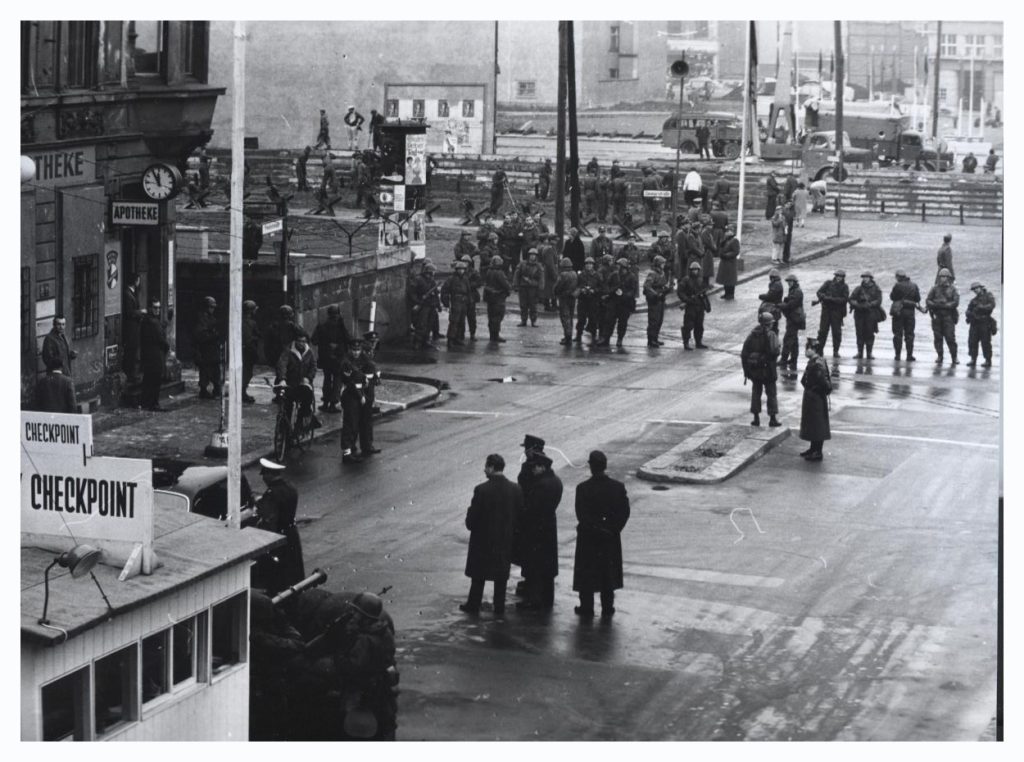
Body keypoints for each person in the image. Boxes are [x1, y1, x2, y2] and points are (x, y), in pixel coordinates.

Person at [461, 453, 521, 617]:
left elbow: (471, 521)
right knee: (500, 577)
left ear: (491, 467)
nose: (484, 470)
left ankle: (473, 604)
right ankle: (499, 607)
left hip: (483, 542)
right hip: (504, 541)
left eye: (486, 466)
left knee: (478, 576)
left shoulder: (481, 490)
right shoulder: (515, 489)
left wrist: (469, 518)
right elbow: (519, 516)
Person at [572, 450, 630, 619]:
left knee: (587, 574)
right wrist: (612, 529)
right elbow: (624, 512)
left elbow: (581, 515)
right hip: (609, 539)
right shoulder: (618, 487)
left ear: (591, 466)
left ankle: (586, 607)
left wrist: (595, 529)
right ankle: (607, 607)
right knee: (608, 574)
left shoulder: (583, 488)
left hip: (589, 539)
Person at [251, 458, 306, 595]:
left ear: (270, 474)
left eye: (264, 474)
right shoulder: (291, 488)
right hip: (291, 533)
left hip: (278, 537)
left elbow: (269, 520)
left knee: (277, 574)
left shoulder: (272, 494)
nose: (263, 478)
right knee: (293, 569)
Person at [516, 453, 563, 611]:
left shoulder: (541, 485)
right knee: (547, 568)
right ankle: (547, 599)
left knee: (535, 566)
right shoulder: (556, 481)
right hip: (549, 527)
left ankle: (533, 600)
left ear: (542, 467)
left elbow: (531, 508)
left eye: (535, 467)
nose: (533, 470)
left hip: (536, 530)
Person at [741, 312, 782, 427]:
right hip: (768, 369)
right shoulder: (772, 335)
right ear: (769, 324)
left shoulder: (752, 335)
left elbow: (744, 353)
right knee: (771, 394)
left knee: (756, 393)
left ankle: (756, 418)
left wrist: (747, 371)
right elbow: (775, 352)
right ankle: (772, 418)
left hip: (755, 370)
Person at [276, 332, 319, 435]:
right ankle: (284, 431)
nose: (301, 343)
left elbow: (313, 367)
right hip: (289, 383)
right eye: (299, 341)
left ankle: (300, 425)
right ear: (295, 341)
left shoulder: (309, 353)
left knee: (306, 399)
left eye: (303, 341)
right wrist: (282, 378)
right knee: (286, 405)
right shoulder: (288, 351)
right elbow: (282, 365)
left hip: (303, 384)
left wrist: (308, 378)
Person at [311, 305, 350, 411]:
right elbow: (348, 339)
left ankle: (325, 402)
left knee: (327, 379)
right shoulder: (341, 326)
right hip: (338, 357)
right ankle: (333, 403)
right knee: (337, 380)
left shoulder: (322, 325)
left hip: (325, 357)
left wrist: (325, 344)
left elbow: (314, 340)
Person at [798, 340, 832, 461]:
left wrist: (813, 390)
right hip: (812, 395)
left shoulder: (817, 363)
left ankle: (817, 451)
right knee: (813, 423)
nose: (806, 350)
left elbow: (823, 382)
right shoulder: (815, 361)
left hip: (815, 397)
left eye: (808, 348)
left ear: (814, 349)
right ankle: (813, 448)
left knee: (817, 423)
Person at [598, 258, 637, 348]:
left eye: (620, 266)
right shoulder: (614, 275)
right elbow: (607, 285)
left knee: (622, 322)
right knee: (608, 320)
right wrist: (611, 291)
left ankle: (620, 339)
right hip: (614, 301)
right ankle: (605, 338)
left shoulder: (631, 276)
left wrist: (625, 294)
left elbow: (633, 290)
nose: (618, 267)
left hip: (625, 303)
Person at [139, 299, 169, 411]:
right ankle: (153, 403)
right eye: (155, 308)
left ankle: (145, 402)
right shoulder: (153, 322)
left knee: (148, 379)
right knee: (155, 380)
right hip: (155, 355)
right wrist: (167, 346)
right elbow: (161, 339)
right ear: (150, 308)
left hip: (147, 355)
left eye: (158, 308)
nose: (157, 310)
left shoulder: (146, 320)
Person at [355, 333, 382, 456]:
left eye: (375, 341)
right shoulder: (364, 352)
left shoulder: (369, 351)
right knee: (362, 418)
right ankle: (364, 445)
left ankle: (366, 445)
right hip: (361, 387)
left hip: (368, 387)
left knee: (366, 417)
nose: (373, 343)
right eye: (371, 341)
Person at [926, 268, 960, 365]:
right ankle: (940, 355)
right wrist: (935, 305)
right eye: (941, 277)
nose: (942, 278)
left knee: (950, 338)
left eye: (944, 277)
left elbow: (956, 302)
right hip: (937, 317)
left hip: (948, 317)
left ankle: (954, 357)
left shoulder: (953, 289)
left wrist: (946, 305)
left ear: (948, 278)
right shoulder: (934, 288)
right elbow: (928, 300)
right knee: (938, 337)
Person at [889, 269, 923, 362]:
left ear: (898, 277)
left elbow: (892, 297)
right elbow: (918, 298)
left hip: (898, 312)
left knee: (897, 334)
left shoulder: (897, 285)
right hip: (910, 313)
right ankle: (909, 355)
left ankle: (897, 355)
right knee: (910, 335)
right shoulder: (914, 285)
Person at [848, 271, 884, 359]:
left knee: (869, 333)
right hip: (859, 313)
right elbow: (851, 298)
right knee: (859, 333)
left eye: (867, 277)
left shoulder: (876, 288)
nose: (865, 279)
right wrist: (857, 304)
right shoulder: (858, 288)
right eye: (864, 277)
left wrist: (870, 304)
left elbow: (879, 300)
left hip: (870, 314)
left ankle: (869, 353)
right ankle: (859, 352)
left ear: (870, 278)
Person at [193, 296, 223, 399]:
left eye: (213, 307)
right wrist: (214, 335)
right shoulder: (201, 319)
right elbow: (200, 335)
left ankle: (216, 389)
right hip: (205, 350)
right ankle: (204, 390)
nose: (212, 309)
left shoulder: (211, 318)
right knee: (205, 371)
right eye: (211, 307)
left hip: (213, 349)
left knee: (216, 371)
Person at [816, 269, 850, 358]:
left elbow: (844, 299)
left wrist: (832, 299)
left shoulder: (844, 287)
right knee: (822, 331)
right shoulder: (828, 283)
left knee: (836, 332)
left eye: (841, 277)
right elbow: (819, 292)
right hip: (826, 311)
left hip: (837, 312)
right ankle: (819, 350)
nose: (839, 278)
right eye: (837, 276)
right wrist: (824, 297)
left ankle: (835, 351)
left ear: (843, 278)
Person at [407, 260, 441, 350]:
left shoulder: (432, 281)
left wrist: (438, 305)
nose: (433, 274)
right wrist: (417, 301)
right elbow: (412, 292)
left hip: (431, 305)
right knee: (421, 324)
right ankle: (417, 342)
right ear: (428, 271)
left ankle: (425, 341)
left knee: (430, 324)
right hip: (423, 305)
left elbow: (436, 294)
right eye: (432, 272)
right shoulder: (418, 279)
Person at [440, 259, 473, 346]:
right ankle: (451, 339)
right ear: (456, 269)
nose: (461, 271)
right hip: (455, 301)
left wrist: (469, 301)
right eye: (459, 269)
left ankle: (459, 338)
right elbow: (444, 291)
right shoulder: (451, 279)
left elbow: (468, 291)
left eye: (463, 269)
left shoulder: (465, 279)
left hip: (464, 301)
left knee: (462, 321)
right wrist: (446, 302)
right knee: (454, 321)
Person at [677, 261, 709, 350]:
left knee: (699, 325)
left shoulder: (701, 280)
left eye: (696, 270)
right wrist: (686, 299)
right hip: (690, 306)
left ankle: (698, 342)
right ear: (690, 270)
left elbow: (704, 291)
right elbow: (680, 292)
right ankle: (686, 343)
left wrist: (704, 298)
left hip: (699, 306)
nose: (695, 271)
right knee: (688, 325)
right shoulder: (686, 280)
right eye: (693, 270)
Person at [778, 273, 805, 377]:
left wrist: (782, 305)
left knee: (788, 339)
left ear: (794, 282)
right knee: (794, 341)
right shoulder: (794, 290)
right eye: (788, 282)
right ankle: (793, 360)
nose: (789, 283)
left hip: (794, 319)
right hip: (793, 318)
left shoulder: (797, 292)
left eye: (790, 281)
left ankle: (784, 360)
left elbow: (791, 305)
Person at [965, 281, 996, 368]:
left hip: (985, 322)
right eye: (974, 289)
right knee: (972, 342)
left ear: (981, 288)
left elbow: (991, 306)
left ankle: (988, 360)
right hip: (974, 323)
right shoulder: (973, 300)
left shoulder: (989, 296)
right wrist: (969, 314)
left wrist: (980, 307)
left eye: (976, 288)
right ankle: (973, 359)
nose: (975, 290)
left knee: (985, 342)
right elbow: (968, 310)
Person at [643, 255, 671, 348]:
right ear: (658, 264)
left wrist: (667, 287)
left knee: (659, 320)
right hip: (654, 299)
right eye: (662, 263)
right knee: (653, 320)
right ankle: (651, 340)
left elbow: (662, 284)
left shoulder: (662, 273)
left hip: (661, 298)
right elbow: (647, 286)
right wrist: (655, 294)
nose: (664, 265)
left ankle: (655, 338)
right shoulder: (652, 273)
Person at [483, 254, 512, 343]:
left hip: (490, 298)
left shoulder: (489, 271)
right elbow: (506, 285)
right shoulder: (499, 273)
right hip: (498, 297)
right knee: (498, 317)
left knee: (491, 317)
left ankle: (492, 335)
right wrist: (509, 289)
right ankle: (496, 335)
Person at [512, 248, 545, 327]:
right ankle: (523, 320)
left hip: (533, 288)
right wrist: (515, 285)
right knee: (523, 305)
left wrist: (540, 287)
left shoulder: (538, 266)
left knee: (533, 305)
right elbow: (517, 275)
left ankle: (533, 321)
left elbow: (541, 278)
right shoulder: (522, 264)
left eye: (534, 255)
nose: (532, 257)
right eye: (531, 255)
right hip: (523, 287)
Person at [122, 273, 144, 382]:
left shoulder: (133, 293)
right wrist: (141, 312)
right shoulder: (127, 294)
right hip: (131, 328)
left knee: (135, 349)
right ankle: (131, 374)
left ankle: (133, 373)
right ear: (135, 281)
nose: (139, 282)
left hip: (135, 327)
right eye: (138, 280)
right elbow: (130, 312)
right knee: (132, 350)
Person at [574, 257, 602, 344]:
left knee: (593, 318)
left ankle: (594, 335)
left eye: (590, 264)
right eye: (587, 264)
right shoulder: (581, 275)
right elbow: (576, 286)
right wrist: (582, 289)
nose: (589, 266)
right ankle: (578, 335)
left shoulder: (597, 275)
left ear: (593, 265)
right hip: (583, 300)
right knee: (581, 318)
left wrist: (594, 290)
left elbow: (601, 287)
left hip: (593, 300)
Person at [553, 257, 579, 346]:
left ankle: (567, 337)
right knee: (570, 317)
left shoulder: (563, 275)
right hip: (572, 297)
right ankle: (569, 335)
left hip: (564, 297)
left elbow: (558, 286)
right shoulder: (574, 273)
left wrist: (556, 292)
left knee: (565, 317)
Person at [242, 300, 261, 404]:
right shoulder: (251, 323)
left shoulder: (244, 321)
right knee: (247, 373)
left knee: (246, 373)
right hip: (248, 351)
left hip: (244, 350)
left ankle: (242, 392)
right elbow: (249, 338)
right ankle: (242, 393)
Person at [716, 226, 740, 300]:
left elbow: (736, 251)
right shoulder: (725, 240)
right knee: (725, 279)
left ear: (732, 232)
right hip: (724, 262)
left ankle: (730, 294)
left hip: (730, 263)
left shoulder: (734, 240)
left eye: (729, 231)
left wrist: (726, 255)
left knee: (730, 279)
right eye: (726, 231)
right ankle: (726, 293)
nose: (727, 233)